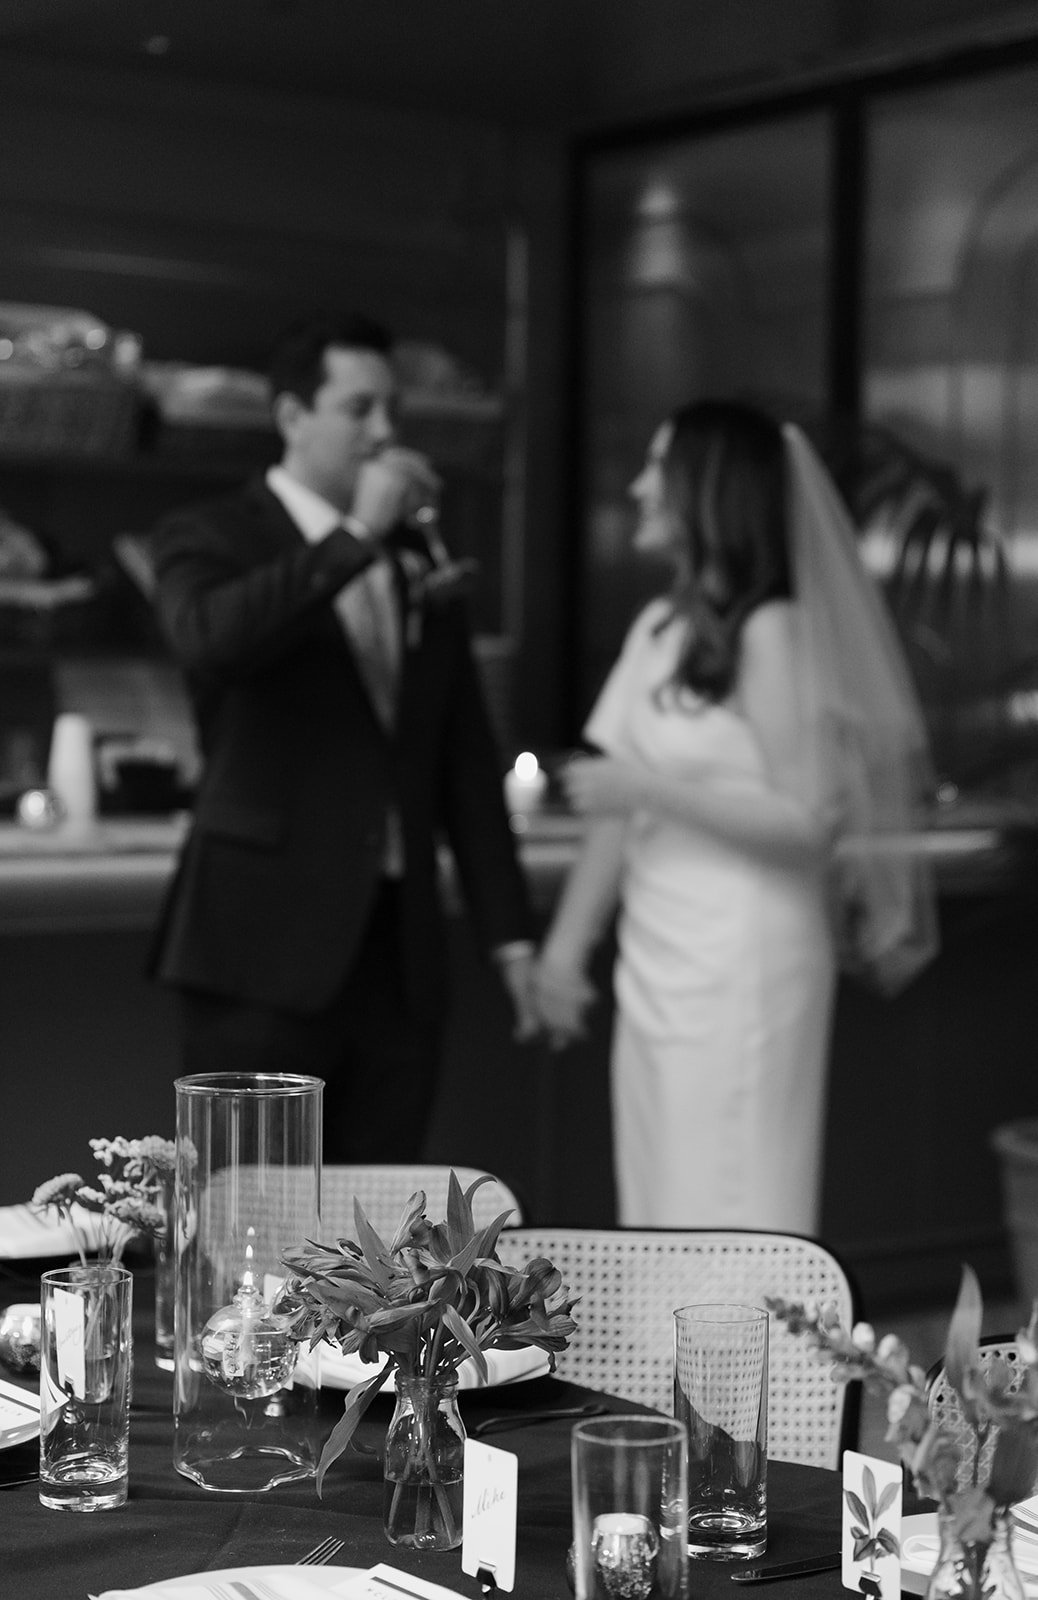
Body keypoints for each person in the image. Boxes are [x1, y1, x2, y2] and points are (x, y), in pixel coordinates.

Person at [533, 399, 937, 1231]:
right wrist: (564, 952)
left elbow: (811, 821)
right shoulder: (658, 627)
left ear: (706, 491)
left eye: (658, 468)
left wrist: (651, 792)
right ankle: (667, 1363)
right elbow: (614, 808)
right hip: (659, 957)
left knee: (731, 1194)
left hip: (744, 962)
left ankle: (747, 1361)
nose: (640, 487)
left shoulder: (773, 631)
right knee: (658, 1193)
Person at [148, 310, 537, 1161]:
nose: (384, 433)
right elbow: (212, 639)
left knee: (380, 1234)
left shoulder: (417, 553)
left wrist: (510, 936)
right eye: (359, 409)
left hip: (399, 955)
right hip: (261, 947)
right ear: (292, 417)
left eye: (390, 410)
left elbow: (463, 757)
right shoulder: (209, 534)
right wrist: (353, 538)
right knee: (241, 1220)